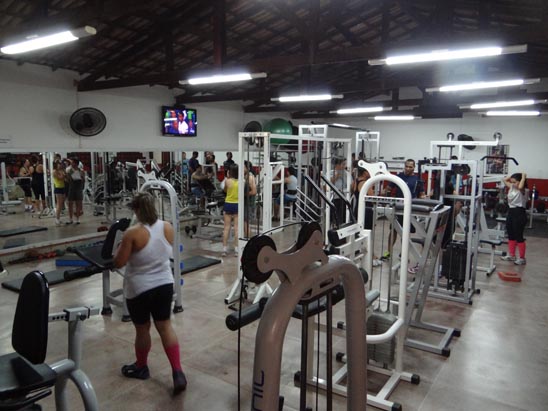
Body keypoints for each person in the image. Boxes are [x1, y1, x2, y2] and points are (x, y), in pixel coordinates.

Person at [113, 192, 187, 395]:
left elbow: (119, 262)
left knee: (142, 329)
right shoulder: (167, 227)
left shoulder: (132, 233)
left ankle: (141, 366)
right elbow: (160, 250)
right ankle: (178, 372)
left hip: (140, 289)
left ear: (137, 210)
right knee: (165, 327)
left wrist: (120, 247)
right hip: (164, 284)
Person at [382, 159, 426, 265]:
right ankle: (388, 253)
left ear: (414, 168)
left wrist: (423, 198)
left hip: (410, 209)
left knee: (406, 233)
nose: (408, 168)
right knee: (393, 231)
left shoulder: (417, 180)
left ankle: (404, 253)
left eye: (410, 167)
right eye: (406, 166)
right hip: (397, 208)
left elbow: (421, 195)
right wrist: (385, 193)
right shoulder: (398, 177)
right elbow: (388, 189)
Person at [501, 172, 527, 265]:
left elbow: (520, 186)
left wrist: (523, 176)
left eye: (515, 182)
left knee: (519, 236)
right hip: (511, 212)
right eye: (512, 182)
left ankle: (522, 258)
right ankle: (512, 255)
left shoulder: (523, 190)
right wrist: (512, 177)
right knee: (511, 234)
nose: (513, 184)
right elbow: (504, 180)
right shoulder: (512, 187)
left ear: (520, 181)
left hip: (519, 213)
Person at [222, 164, 239, 257]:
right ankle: (236, 250)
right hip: (237, 204)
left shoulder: (227, 181)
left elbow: (225, 190)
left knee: (226, 228)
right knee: (236, 228)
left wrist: (228, 177)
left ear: (230, 172)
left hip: (228, 204)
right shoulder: (242, 181)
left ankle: (224, 250)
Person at [65, 157, 85, 224]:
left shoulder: (80, 170)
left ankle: (77, 218)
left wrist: (81, 177)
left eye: (73, 162)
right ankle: (70, 219)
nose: (71, 163)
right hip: (71, 188)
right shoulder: (69, 170)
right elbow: (68, 180)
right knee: (70, 203)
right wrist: (68, 176)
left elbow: (83, 180)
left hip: (78, 188)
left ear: (76, 164)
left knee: (78, 203)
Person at [331, 158, 347, 226]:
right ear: (337, 165)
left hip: (343, 198)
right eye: (343, 164)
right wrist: (336, 177)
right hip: (333, 198)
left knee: (342, 218)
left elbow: (351, 186)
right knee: (334, 217)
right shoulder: (331, 173)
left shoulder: (346, 174)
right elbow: (326, 187)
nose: (344, 166)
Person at [243, 161, 257, 237]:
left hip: (249, 204)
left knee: (245, 222)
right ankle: (247, 237)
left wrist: (243, 195)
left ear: (247, 168)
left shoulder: (250, 177)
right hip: (245, 203)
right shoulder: (245, 176)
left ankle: (248, 239)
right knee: (244, 222)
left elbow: (254, 191)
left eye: (243, 167)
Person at [52, 161, 66, 226]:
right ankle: (57, 220)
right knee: (59, 204)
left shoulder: (61, 171)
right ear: (56, 165)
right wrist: (64, 175)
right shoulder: (54, 171)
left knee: (61, 204)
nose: (60, 165)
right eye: (58, 164)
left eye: (60, 164)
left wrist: (64, 174)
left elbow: (65, 178)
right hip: (58, 188)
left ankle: (58, 218)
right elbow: (60, 178)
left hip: (63, 187)